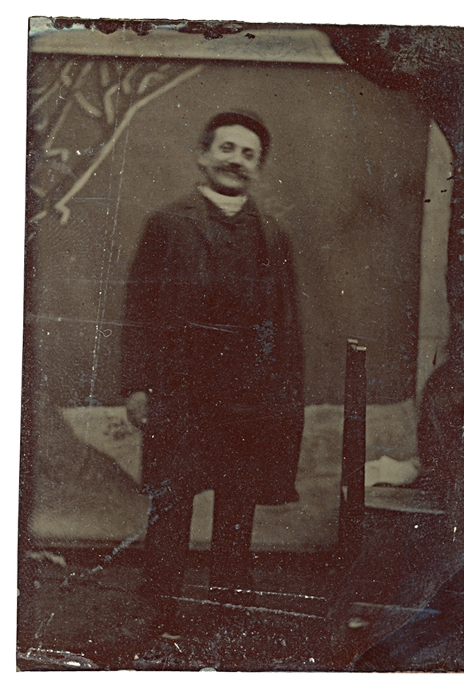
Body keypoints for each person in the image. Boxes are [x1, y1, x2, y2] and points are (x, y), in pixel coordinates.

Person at [121, 110, 305, 623]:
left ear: (259, 168)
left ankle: (228, 610)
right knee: (172, 500)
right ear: (203, 156)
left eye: (249, 154)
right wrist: (136, 386)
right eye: (227, 148)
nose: (236, 161)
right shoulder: (168, 224)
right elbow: (139, 310)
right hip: (180, 391)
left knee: (237, 503)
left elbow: (285, 324)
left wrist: (282, 393)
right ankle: (159, 607)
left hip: (248, 396)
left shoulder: (272, 235)